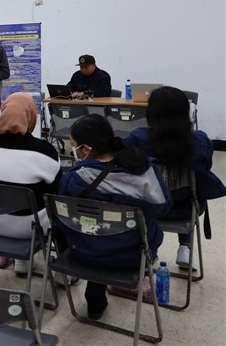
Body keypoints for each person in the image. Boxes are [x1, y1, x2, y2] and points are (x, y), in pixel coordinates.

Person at [60, 114, 170, 321]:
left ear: (86, 149)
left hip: (84, 253)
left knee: (98, 230)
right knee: (126, 229)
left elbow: (63, 218)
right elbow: (163, 208)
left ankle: (95, 303)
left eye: (73, 145)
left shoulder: (73, 179)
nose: (72, 150)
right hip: (133, 258)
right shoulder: (144, 172)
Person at [124, 86, 226, 268]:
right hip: (186, 211)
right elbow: (204, 170)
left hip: (147, 209)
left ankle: (146, 251)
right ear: (185, 113)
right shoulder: (201, 141)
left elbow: (122, 162)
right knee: (188, 193)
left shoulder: (138, 138)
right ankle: (185, 248)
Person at [0, 92, 61, 274]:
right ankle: (62, 273)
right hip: (29, 227)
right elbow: (56, 190)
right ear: (31, 117)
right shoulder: (45, 150)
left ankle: (22, 262)